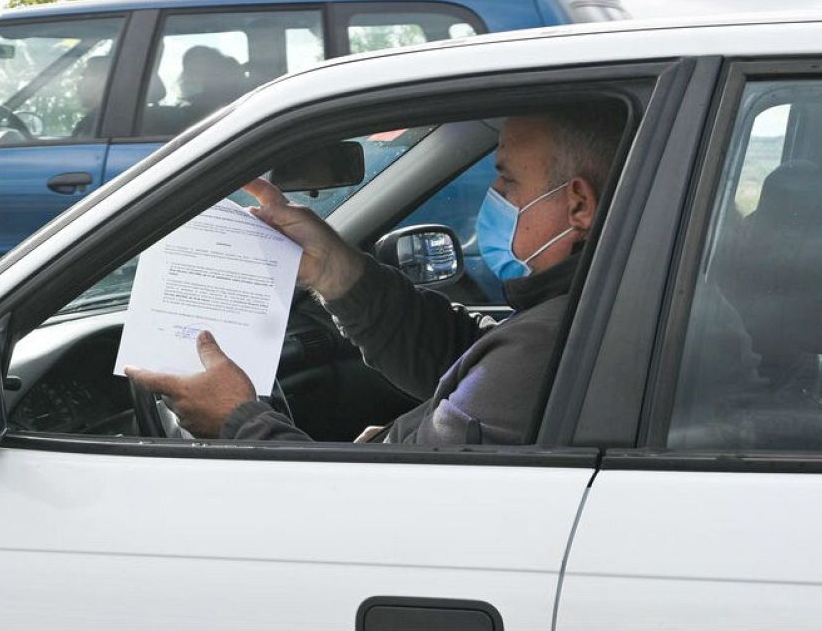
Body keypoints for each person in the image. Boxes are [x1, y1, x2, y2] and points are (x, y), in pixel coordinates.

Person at [126, 105, 625, 446]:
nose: (491, 195)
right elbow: (466, 358)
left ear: (578, 204)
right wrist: (334, 270)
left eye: (507, 178)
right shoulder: (586, 307)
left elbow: (372, 514)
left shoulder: (549, 344)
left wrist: (237, 420)